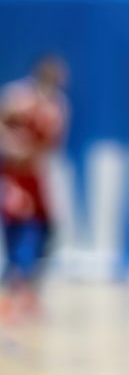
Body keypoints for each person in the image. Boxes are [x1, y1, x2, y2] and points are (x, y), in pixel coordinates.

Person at [0, 55, 69, 320]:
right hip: (14, 177)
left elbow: (52, 143)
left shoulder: (58, 106)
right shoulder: (18, 97)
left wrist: (32, 152)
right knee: (18, 229)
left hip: (36, 176)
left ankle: (25, 288)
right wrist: (11, 145)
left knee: (43, 231)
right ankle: (14, 289)